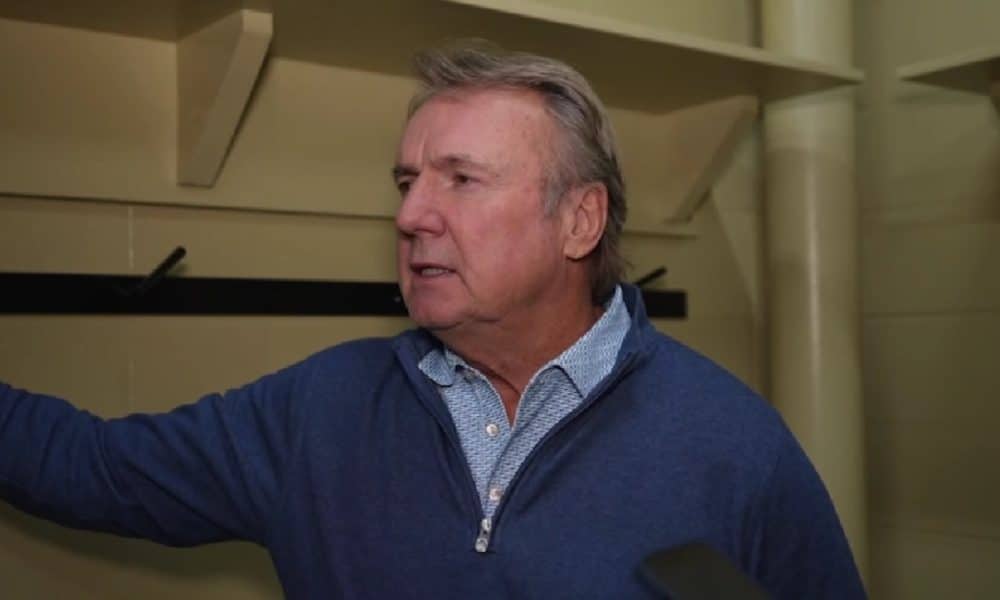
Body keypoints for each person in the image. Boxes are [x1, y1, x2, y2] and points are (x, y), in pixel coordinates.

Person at [0, 42, 865, 598]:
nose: (412, 215)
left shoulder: (733, 447)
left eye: (461, 179)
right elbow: (93, 469)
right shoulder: (320, 412)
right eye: (407, 183)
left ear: (579, 221)